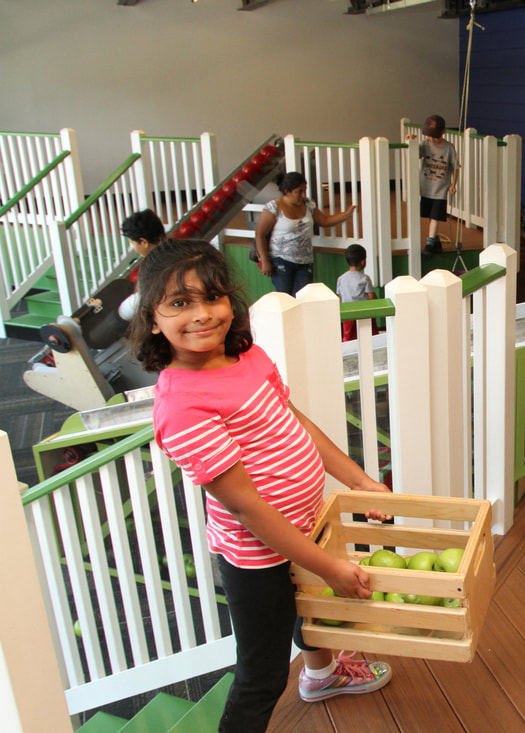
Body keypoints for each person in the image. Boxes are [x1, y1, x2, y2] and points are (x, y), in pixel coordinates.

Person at [128, 239, 393, 733]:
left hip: (304, 527)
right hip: (258, 556)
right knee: (262, 675)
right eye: (180, 303)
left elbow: (297, 423)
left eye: (213, 297)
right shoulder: (182, 405)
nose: (203, 315)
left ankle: (322, 676)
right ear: (153, 318)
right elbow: (248, 508)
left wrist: (358, 481)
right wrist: (329, 566)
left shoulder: (246, 359)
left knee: (311, 612)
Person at [254, 172, 357, 295]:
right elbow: (260, 235)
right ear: (287, 191)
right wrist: (265, 261)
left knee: (304, 297)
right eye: (299, 191)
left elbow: (324, 220)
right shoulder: (273, 207)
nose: (303, 195)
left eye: (304, 190)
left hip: (305, 262)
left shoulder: (308, 204)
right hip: (281, 261)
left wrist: (346, 214)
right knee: (285, 298)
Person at [414, 114, 459, 255]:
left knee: (435, 216)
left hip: (441, 189)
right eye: (429, 136)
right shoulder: (425, 145)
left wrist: (453, 184)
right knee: (430, 215)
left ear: (443, 132)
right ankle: (437, 241)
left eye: (435, 136)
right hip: (426, 187)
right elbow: (414, 152)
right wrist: (410, 141)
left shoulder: (449, 148)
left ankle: (430, 242)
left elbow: (455, 167)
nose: (432, 139)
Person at [118, 209, 167, 320]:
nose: (134, 248)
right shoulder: (176, 250)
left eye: (132, 243)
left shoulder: (152, 268)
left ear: (143, 242)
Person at [336, 243, 376, 342]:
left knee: (348, 337)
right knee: (368, 337)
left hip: (347, 314)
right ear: (363, 262)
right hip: (364, 313)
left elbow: (340, 297)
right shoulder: (365, 278)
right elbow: (371, 296)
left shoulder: (341, 278)